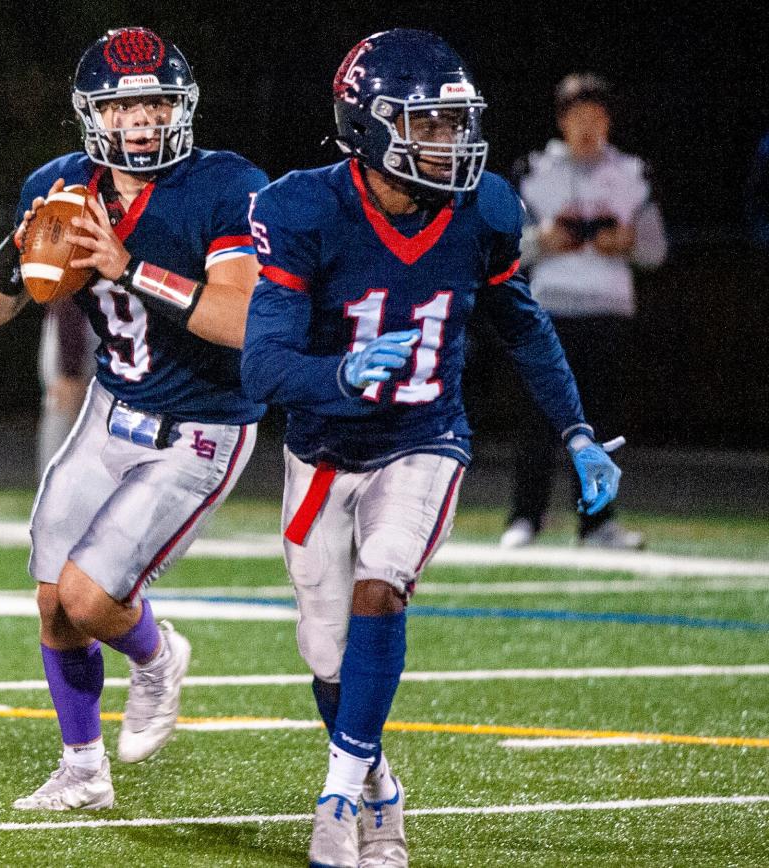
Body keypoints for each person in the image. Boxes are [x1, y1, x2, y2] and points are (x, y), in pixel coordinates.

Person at [241, 29, 624, 868]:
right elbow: (262, 364)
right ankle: (379, 784)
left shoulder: (480, 209)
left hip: (425, 439)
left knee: (384, 586)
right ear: (367, 126)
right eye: (427, 126)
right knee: (325, 652)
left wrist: (577, 430)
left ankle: (339, 798)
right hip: (322, 448)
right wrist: (339, 374)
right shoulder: (302, 208)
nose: (448, 143)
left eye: (454, 124)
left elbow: (522, 328)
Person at [0, 26, 266, 810]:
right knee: (51, 599)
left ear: (181, 108)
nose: (141, 120)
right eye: (123, 105)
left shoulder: (225, 185)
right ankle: (82, 770)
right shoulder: (63, 184)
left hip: (202, 425)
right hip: (110, 409)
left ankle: (159, 659)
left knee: (93, 598)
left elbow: (242, 319)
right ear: (92, 114)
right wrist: (21, 246)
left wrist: (129, 269)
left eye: (156, 102)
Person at [499, 73, 667, 549]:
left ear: (609, 120)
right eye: (576, 116)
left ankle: (597, 524)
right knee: (538, 420)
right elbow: (505, 249)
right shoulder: (534, 171)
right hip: (548, 312)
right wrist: (541, 240)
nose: (587, 125)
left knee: (601, 425)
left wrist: (628, 243)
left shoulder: (633, 174)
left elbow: (655, 252)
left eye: (596, 115)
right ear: (561, 121)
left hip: (607, 312)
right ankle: (525, 518)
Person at [37, 296, 97, 475]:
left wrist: (71, 375)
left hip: (67, 389)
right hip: (63, 389)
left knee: (58, 469)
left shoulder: (70, 298)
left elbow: (71, 316)